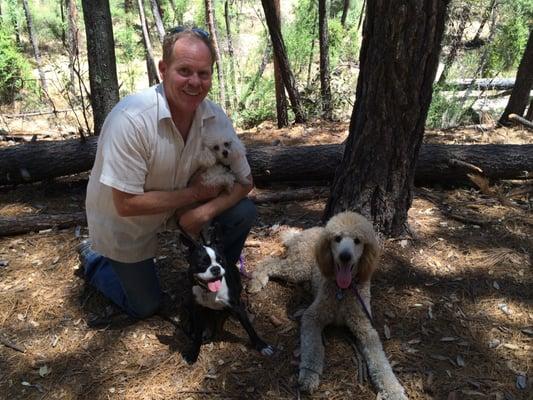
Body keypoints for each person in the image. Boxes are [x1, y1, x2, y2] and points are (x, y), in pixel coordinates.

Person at [78, 27, 256, 323]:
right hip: (126, 222)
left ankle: (214, 275)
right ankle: (94, 259)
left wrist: (204, 211)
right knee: (146, 306)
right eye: (184, 71)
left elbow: (246, 182)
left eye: (204, 73)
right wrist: (196, 195)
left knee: (243, 211)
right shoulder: (132, 119)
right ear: (163, 69)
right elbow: (126, 204)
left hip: (178, 209)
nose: (195, 82)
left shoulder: (214, 117)